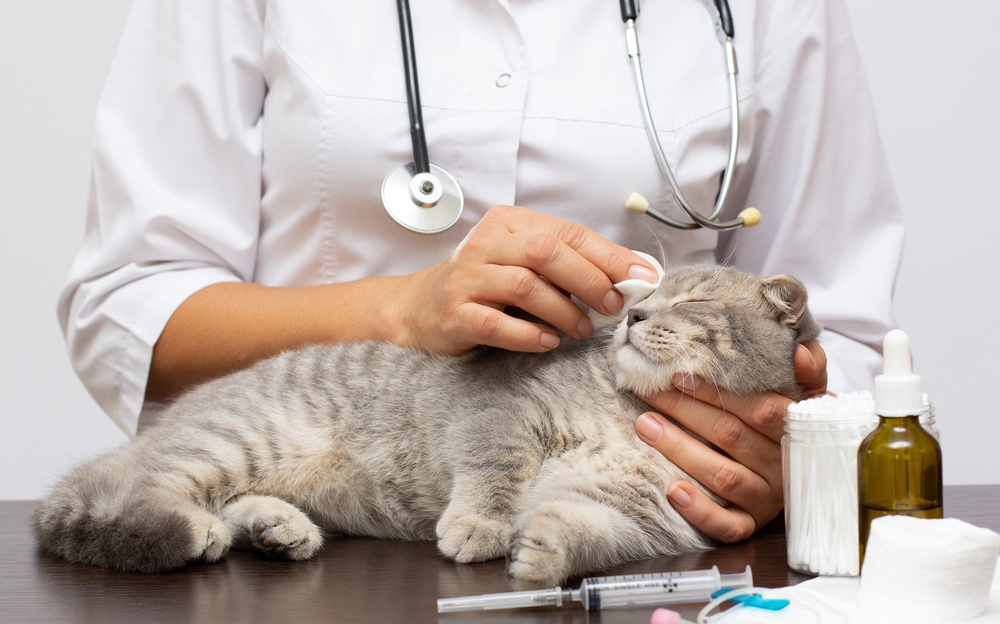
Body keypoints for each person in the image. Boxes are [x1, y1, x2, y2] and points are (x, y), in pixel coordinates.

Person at [58, 0, 902, 546]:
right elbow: (129, 308)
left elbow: (846, 335)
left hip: (635, 534)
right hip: (301, 537)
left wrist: (778, 462)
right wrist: (399, 309)